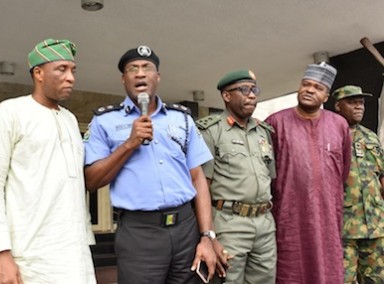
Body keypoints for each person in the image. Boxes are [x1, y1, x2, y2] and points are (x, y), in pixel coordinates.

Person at [84, 45, 224, 284]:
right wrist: (129, 144)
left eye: (147, 67)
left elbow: (198, 178)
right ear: (123, 79)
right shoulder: (104, 121)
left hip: (186, 229)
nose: (140, 73)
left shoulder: (182, 118)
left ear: (157, 77)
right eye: (132, 69)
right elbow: (91, 181)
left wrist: (207, 236)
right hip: (140, 233)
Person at [0, 39, 96, 284]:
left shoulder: (70, 120)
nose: (71, 78)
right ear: (38, 73)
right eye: (61, 69)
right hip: (31, 259)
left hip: (77, 255)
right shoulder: (9, 112)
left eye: (73, 70)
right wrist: (1, 253)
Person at [265, 62, 352, 284]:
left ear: (326, 96)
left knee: (327, 269)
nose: (310, 90)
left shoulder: (339, 125)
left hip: (327, 215)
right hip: (288, 216)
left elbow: (343, 171)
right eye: (306, 84)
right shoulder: (276, 122)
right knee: (290, 270)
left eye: (318, 87)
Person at [196, 70, 277, 283]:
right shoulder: (211, 130)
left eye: (254, 90)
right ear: (226, 95)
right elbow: (201, 185)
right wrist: (209, 235)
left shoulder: (264, 132)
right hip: (230, 224)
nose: (252, 95)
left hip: (265, 224)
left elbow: (271, 179)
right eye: (244, 90)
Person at [332, 85, 384, 283]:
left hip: (376, 224)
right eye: (352, 102)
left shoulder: (371, 137)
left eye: (361, 102)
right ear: (338, 106)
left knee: (376, 278)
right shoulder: (330, 135)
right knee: (343, 279)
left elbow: (382, 175)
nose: (359, 106)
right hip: (345, 227)